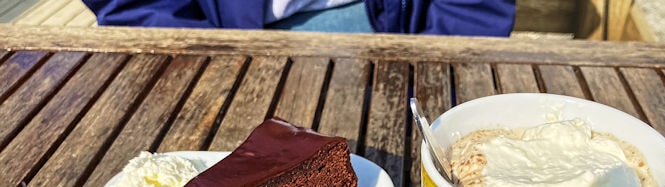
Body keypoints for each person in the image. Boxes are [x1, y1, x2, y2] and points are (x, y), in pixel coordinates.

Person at [83, 0, 517, 37]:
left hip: (401, 29)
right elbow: (137, 7)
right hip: (208, 30)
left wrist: (444, 56)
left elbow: (472, 13)